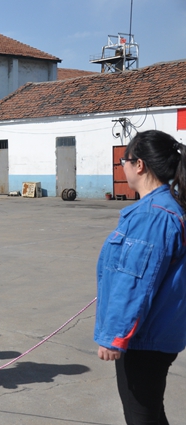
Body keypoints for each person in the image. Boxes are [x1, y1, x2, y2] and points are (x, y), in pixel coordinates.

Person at [94, 130, 186, 425]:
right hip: (156, 332)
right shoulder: (163, 209)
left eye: (124, 160)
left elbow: (135, 283)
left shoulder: (153, 216)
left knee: (141, 417)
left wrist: (114, 336)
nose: (122, 166)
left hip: (144, 338)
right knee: (150, 412)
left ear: (140, 165)